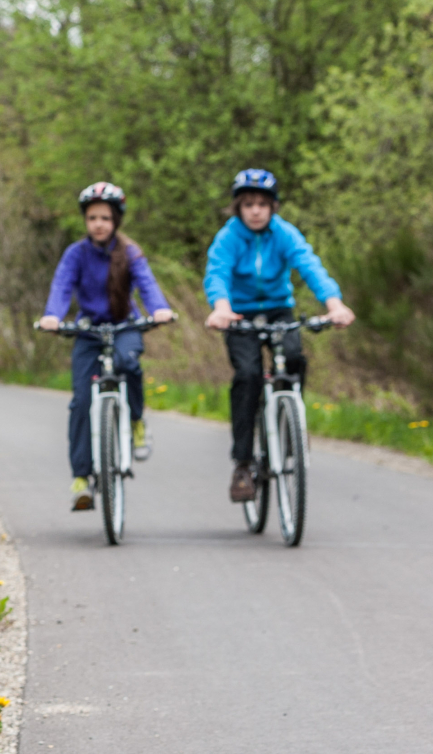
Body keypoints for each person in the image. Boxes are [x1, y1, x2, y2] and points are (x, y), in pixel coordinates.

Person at [202, 168, 355, 502]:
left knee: (295, 358)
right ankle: (243, 463)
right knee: (248, 375)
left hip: (277, 310)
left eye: (262, 204)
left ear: (273, 207)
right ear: (238, 208)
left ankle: (292, 427)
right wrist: (221, 307)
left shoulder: (284, 233)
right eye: (248, 204)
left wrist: (334, 305)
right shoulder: (229, 237)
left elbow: (310, 265)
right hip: (238, 314)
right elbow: (217, 273)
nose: (256, 210)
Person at [38, 182, 175, 511]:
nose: (98, 223)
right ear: (85, 221)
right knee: (82, 400)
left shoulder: (130, 252)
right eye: (92, 217)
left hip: (125, 325)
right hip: (89, 332)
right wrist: (52, 316)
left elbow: (147, 283)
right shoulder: (76, 253)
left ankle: (136, 422)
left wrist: (159, 308)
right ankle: (82, 477)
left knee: (129, 363)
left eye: (105, 217)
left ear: (116, 220)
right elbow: (61, 286)